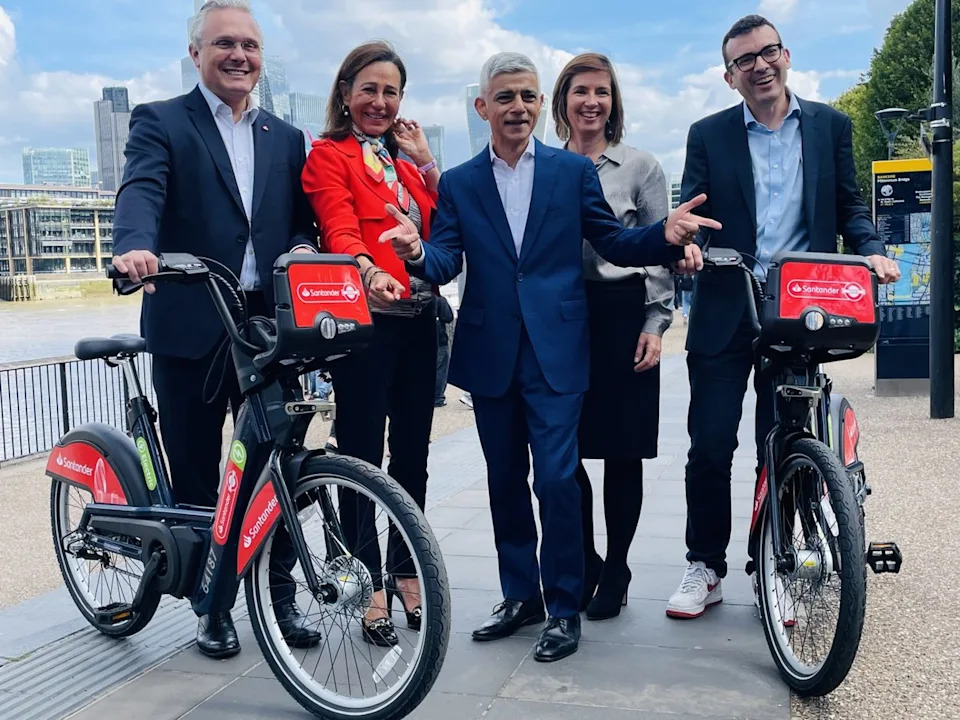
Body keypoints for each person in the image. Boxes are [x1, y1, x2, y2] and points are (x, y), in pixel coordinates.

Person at [382, 52, 716, 662]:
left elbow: (612, 240)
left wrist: (663, 236)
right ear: (482, 107)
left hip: (559, 350)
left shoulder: (569, 173)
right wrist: (413, 251)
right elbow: (446, 260)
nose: (518, 108)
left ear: (542, 105)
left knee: (558, 480)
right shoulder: (459, 181)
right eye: (505, 97)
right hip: (489, 353)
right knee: (504, 481)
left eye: (528, 97)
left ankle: (564, 607)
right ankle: (520, 597)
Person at [668, 14, 901, 620]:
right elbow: (692, 207)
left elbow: (849, 204)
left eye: (768, 52)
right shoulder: (708, 134)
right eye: (745, 59)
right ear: (729, 76)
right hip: (726, 303)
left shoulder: (831, 126)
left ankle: (780, 563)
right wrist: (687, 243)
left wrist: (872, 248)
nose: (760, 65)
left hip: (801, 308)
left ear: (787, 55)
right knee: (710, 444)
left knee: (788, 441)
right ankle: (705, 566)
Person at [110, 0, 322, 658]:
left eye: (250, 46)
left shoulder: (284, 137)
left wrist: (304, 249)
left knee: (278, 469)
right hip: (191, 322)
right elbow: (141, 189)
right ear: (196, 53)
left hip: (267, 325)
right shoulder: (162, 120)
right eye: (224, 43)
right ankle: (213, 607)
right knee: (203, 478)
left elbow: (296, 223)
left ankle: (280, 600)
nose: (239, 56)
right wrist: (136, 247)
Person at [300, 41, 441, 647]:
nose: (380, 102)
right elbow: (337, 222)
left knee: (412, 454)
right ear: (346, 94)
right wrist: (364, 266)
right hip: (368, 324)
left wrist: (429, 163)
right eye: (369, 90)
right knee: (361, 453)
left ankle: (406, 569)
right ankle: (366, 579)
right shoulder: (328, 154)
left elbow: (444, 230)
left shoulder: (406, 163)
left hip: (419, 320)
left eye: (391, 92)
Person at [551, 52, 674, 620]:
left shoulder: (641, 167)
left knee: (622, 452)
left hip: (622, 313)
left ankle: (619, 566)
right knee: (562, 451)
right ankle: (586, 559)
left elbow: (658, 251)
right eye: (580, 91)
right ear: (563, 101)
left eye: (601, 91)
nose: (591, 102)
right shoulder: (546, 165)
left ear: (613, 101)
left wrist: (655, 322)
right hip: (562, 319)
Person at [436, 294, 454, 407]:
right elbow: (448, 317)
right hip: (440, 339)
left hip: (422, 339)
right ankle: (437, 397)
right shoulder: (439, 299)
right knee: (441, 369)